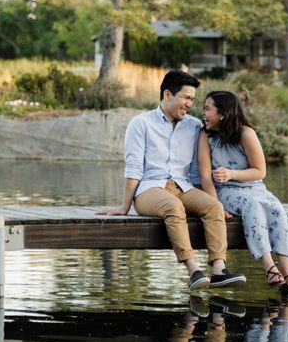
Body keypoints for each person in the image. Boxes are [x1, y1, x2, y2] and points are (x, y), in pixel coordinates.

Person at [97, 70, 246, 291]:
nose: (189, 104)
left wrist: (206, 199)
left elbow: (196, 171)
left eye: (192, 100)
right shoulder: (141, 124)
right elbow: (134, 167)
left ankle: (218, 270)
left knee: (214, 207)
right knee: (173, 206)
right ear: (168, 94)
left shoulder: (195, 126)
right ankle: (193, 270)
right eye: (186, 98)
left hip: (183, 186)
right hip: (149, 190)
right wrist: (125, 206)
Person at [198, 90, 288, 294]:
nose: (202, 112)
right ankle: (269, 268)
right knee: (253, 206)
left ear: (223, 114)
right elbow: (205, 177)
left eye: (207, 109)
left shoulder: (246, 133)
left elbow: (260, 171)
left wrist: (231, 173)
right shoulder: (206, 135)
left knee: (277, 210)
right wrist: (216, 206)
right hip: (225, 191)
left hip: (255, 187)